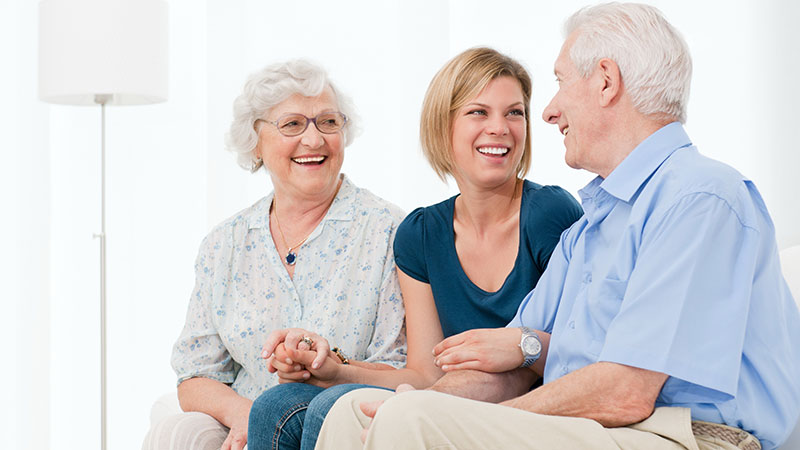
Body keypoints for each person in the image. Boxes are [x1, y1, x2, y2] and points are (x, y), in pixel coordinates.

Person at [315, 3, 800, 450]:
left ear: (606, 81)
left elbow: (626, 392)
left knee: (412, 421)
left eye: (561, 82)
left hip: (688, 434)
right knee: (355, 415)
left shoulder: (699, 197)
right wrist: (427, 401)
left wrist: (460, 420)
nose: (548, 111)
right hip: (599, 426)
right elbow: (513, 364)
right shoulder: (589, 230)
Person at [247, 48, 583, 450]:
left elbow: (581, 352)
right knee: (275, 405)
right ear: (443, 126)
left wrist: (516, 349)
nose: (500, 128)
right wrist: (337, 370)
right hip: (450, 398)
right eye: (478, 112)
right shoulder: (420, 234)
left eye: (514, 113)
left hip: (523, 410)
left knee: (332, 410)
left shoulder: (549, 214)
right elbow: (425, 374)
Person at [141, 60, 407, 450]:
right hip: (249, 420)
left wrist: (328, 368)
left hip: (342, 422)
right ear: (255, 141)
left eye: (328, 122)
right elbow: (195, 373)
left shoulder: (388, 230)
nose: (314, 140)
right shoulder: (225, 243)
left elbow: (399, 367)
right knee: (175, 433)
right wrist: (247, 417)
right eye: (292, 124)